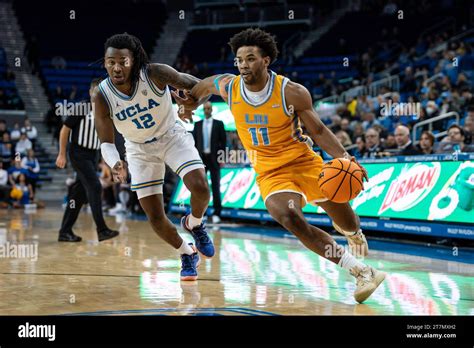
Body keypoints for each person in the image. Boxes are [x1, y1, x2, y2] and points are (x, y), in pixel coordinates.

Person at [180, 28, 385, 303]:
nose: (243, 64)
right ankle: (362, 272)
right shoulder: (229, 86)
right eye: (239, 59)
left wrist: (345, 157)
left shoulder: (291, 92)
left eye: (250, 58)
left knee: (346, 220)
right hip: (270, 172)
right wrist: (188, 105)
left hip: (304, 162)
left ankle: (353, 233)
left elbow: (320, 131)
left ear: (266, 60)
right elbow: (202, 87)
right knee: (291, 218)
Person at [92, 33, 214, 281]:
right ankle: (186, 253)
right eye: (110, 62)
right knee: (155, 217)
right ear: (104, 62)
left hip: (171, 136)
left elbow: (204, 87)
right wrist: (115, 162)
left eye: (122, 61)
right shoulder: (102, 96)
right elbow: (105, 141)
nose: (116, 67)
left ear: (133, 60)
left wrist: (192, 103)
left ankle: (195, 223)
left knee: (201, 187)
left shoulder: (156, 73)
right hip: (138, 149)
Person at [56, 78, 119, 242]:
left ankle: (65, 232)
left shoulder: (106, 110)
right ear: (91, 92)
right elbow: (64, 130)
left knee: (78, 195)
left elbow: (105, 138)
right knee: (95, 186)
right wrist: (62, 154)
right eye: (96, 91)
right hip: (78, 153)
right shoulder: (82, 107)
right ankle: (102, 229)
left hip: (93, 155)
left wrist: (107, 162)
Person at [192, 101, 227, 223]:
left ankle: (217, 213)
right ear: (203, 110)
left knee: (216, 186)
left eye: (209, 108)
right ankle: (203, 213)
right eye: (205, 108)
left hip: (214, 159)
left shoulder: (219, 124)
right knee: (202, 188)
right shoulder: (197, 125)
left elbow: (223, 143)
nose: (207, 110)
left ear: (212, 110)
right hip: (201, 160)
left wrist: (222, 158)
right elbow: (194, 144)